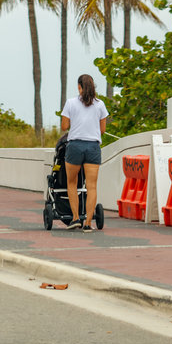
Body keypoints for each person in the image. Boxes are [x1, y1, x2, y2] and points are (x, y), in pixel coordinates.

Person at [61, 74, 108, 233]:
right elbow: (102, 130)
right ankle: (88, 222)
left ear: (80, 87)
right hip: (93, 147)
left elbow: (64, 126)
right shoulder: (100, 104)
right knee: (91, 186)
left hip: (75, 146)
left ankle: (75, 218)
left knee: (72, 182)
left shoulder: (70, 103)